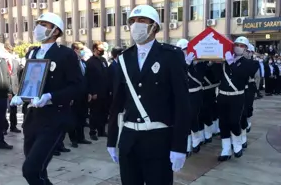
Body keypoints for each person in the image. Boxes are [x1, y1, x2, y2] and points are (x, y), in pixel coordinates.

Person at [107, 5, 190, 184]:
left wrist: (179, 146)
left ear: (154, 26)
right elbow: (117, 102)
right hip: (129, 139)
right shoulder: (124, 58)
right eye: (133, 21)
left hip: (159, 140)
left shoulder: (171, 56)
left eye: (142, 21)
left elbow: (182, 103)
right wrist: (112, 139)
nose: (136, 25)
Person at [10, 12, 83, 185]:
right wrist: (21, 95)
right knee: (38, 170)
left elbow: (78, 86)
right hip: (32, 118)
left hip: (54, 119)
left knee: (31, 170)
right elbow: (27, 81)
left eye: (44, 24)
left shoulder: (65, 54)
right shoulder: (33, 53)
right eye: (38, 23)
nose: (38, 28)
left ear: (56, 31)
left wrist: (51, 96)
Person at [213, 36, 258, 161]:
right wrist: (213, 61)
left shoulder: (251, 63)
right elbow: (214, 76)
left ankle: (237, 144)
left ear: (246, 49)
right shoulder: (224, 61)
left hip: (237, 97)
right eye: (237, 44)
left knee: (234, 121)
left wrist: (231, 62)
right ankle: (225, 149)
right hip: (222, 96)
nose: (238, 47)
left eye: (242, 45)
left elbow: (242, 74)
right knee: (223, 123)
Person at [176, 38, 204, 156]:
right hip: (183, 94)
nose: (185, 52)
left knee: (193, 117)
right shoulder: (178, 63)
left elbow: (201, 76)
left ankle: (196, 140)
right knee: (184, 120)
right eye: (183, 50)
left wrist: (194, 64)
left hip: (195, 93)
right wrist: (186, 64)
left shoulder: (198, 63)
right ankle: (187, 146)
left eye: (186, 49)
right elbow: (177, 77)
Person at [87, 41, 110, 141]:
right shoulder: (90, 62)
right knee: (94, 113)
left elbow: (107, 74)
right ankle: (93, 131)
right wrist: (92, 92)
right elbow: (89, 79)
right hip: (96, 93)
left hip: (105, 91)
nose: (102, 50)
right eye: (100, 48)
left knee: (104, 112)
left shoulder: (104, 60)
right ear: (95, 49)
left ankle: (101, 131)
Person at [4, 43, 22, 133]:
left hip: (14, 90)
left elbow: (18, 75)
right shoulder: (1, 63)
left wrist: (18, 88)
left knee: (13, 110)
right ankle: (4, 127)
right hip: (4, 90)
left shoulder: (15, 62)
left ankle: (13, 126)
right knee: (3, 110)